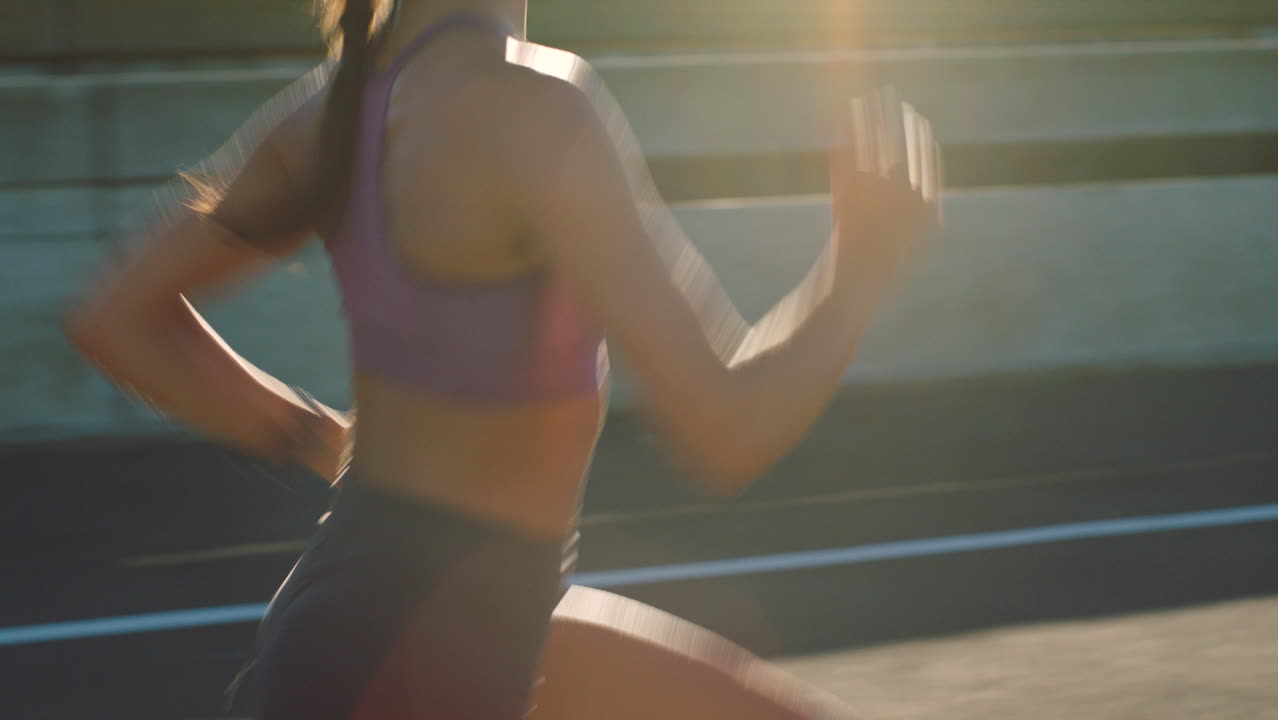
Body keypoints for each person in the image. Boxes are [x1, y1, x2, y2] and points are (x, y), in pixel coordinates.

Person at [62, 0, 941, 717]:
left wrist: (321, 442)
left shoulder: (338, 109)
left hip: (415, 621)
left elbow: (116, 316)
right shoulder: (533, 106)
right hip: (411, 660)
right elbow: (729, 427)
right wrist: (862, 264)